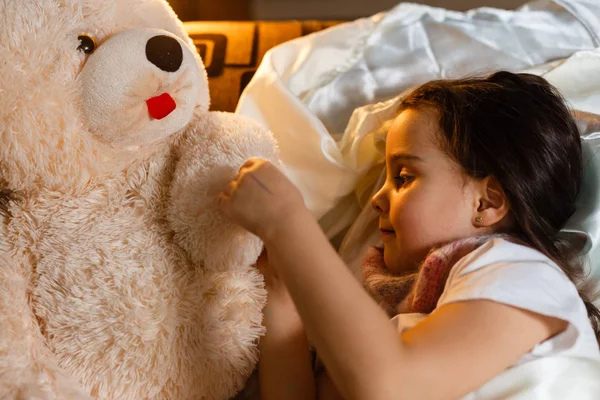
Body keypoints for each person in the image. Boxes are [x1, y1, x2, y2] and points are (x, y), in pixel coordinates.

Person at [219, 71, 600, 400]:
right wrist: (281, 288)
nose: (376, 199)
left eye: (404, 177)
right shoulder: (398, 321)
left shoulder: (523, 272)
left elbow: (392, 387)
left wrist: (288, 223)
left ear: (487, 203)